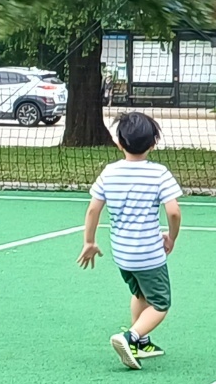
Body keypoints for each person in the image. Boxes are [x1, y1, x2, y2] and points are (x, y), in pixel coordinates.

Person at [78, 112, 182, 370]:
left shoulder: (109, 172)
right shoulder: (159, 173)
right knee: (160, 303)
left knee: (139, 292)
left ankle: (141, 342)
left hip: (122, 254)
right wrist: (171, 236)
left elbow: (93, 210)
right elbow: (173, 212)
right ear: (153, 144)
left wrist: (89, 242)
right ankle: (130, 337)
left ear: (119, 143)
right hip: (149, 253)